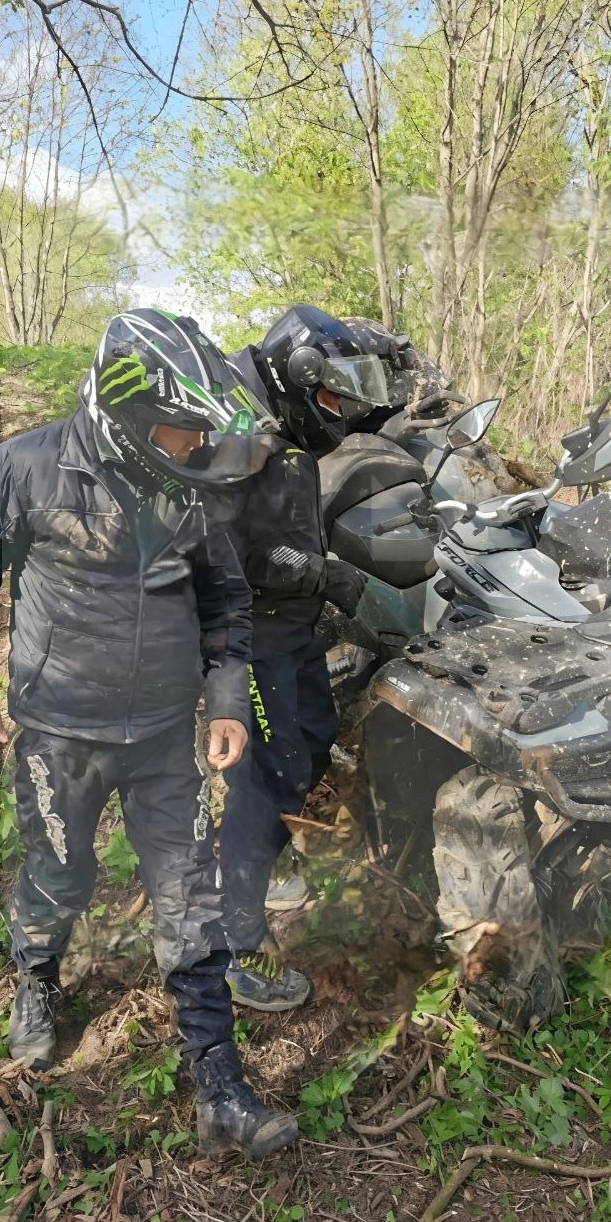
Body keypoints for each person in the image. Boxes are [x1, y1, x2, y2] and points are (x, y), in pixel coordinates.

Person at [0, 307, 297, 1158]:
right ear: (124, 413)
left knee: (189, 897)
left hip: (165, 735)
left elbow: (225, 603)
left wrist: (227, 702)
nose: (193, 445)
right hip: (59, 731)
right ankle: (37, 977)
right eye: (179, 429)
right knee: (60, 871)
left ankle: (220, 1085)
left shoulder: (190, 486)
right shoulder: (25, 467)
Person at [216, 306, 392, 1011]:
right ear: (298, 373)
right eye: (330, 396)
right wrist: (323, 575)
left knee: (314, 735)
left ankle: (260, 854)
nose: (337, 413)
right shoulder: (236, 431)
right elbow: (229, 552)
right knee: (267, 774)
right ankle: (235, 944)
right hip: (245, 632)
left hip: (288, 623)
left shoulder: (282, 412)